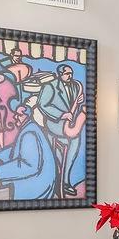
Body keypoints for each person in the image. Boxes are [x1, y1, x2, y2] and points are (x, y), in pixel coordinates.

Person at [0, 100, 56, 200]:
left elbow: (28, 166)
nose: (15, 117)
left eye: (19, 115)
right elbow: (17, 150)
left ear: (27, 117)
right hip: (39, 178)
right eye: (16, 114)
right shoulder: (29, 127)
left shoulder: (29, 134)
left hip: (38, 184)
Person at [37, 63, 84, 196]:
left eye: (71, 74)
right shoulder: (49, 86)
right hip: (55, 125)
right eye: (67, 74)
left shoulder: (75, 86)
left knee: (74, 144)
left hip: (70, 124)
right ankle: (62, 181)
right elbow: (43, 105)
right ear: (60, 74)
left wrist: (79, 101)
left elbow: (74, 104)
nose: (70, 76)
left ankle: (65, 179)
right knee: (69, 143)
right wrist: (62, 115)